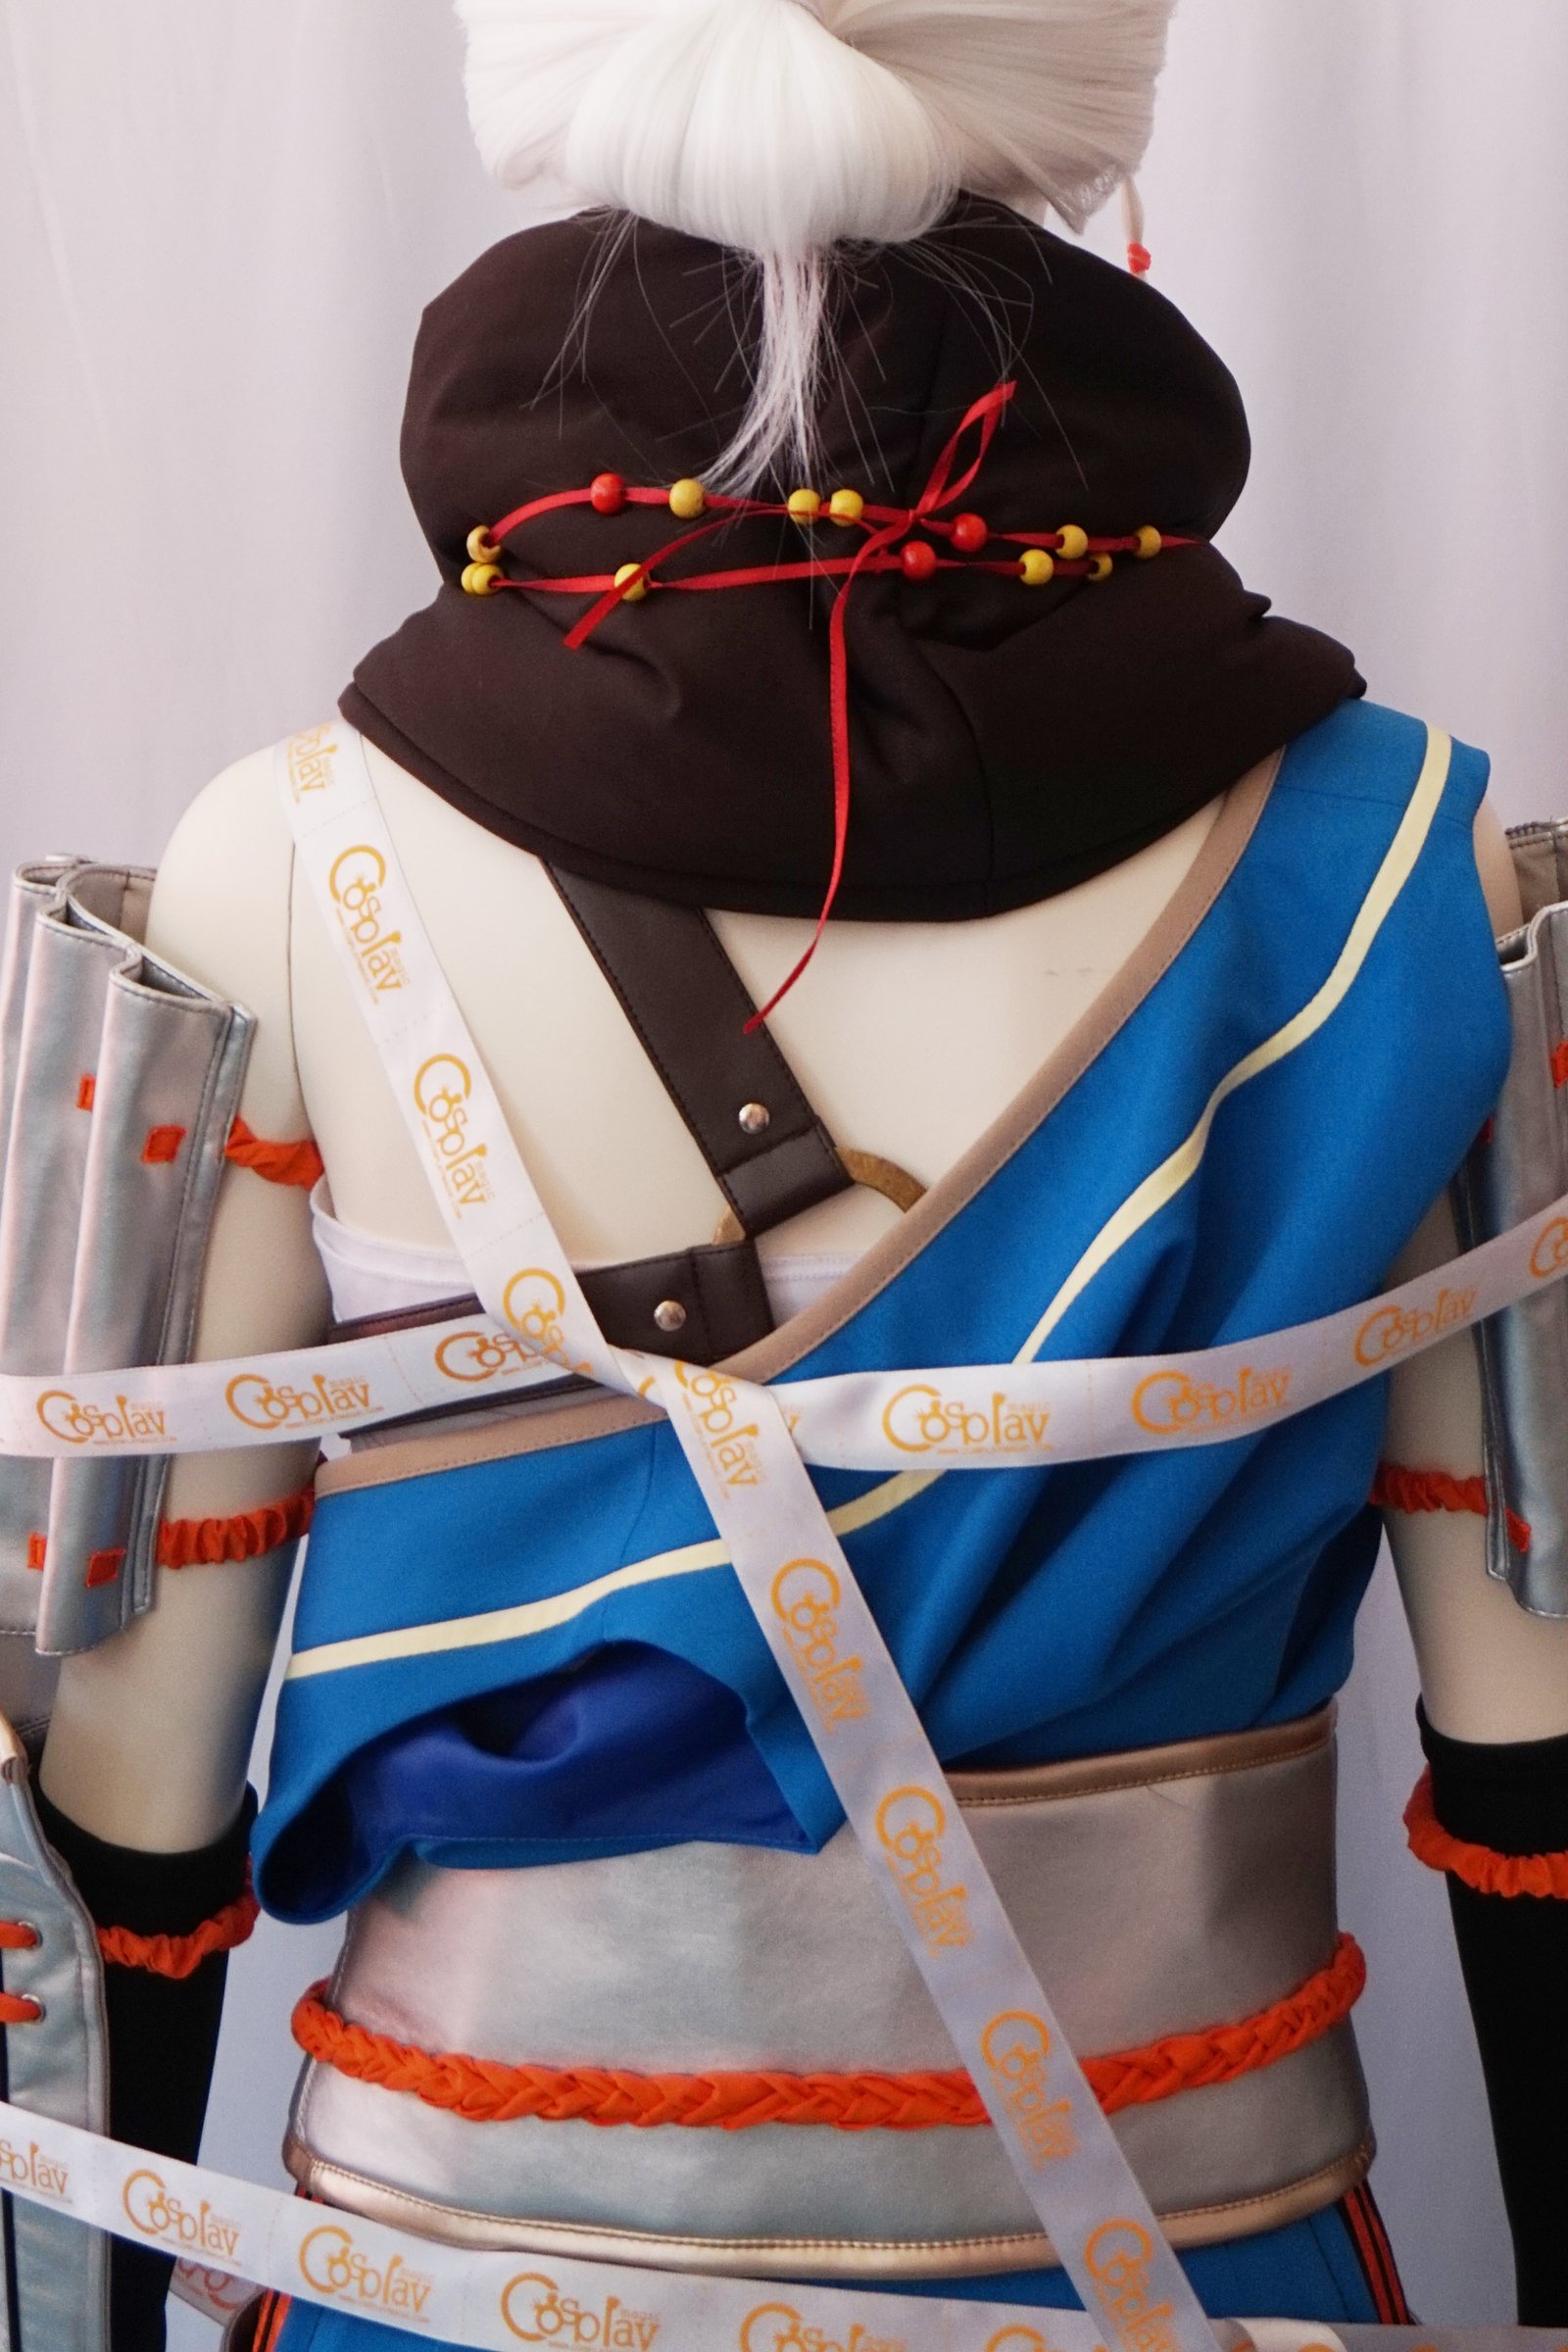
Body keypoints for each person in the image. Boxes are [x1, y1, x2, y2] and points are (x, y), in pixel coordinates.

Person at [10, 2, 1568, 2344]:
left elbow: (118, 1797)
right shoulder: (1416, 872)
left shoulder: (281, 858)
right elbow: (1536, 1759)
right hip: (1201, 2282)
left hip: (450, 2299)